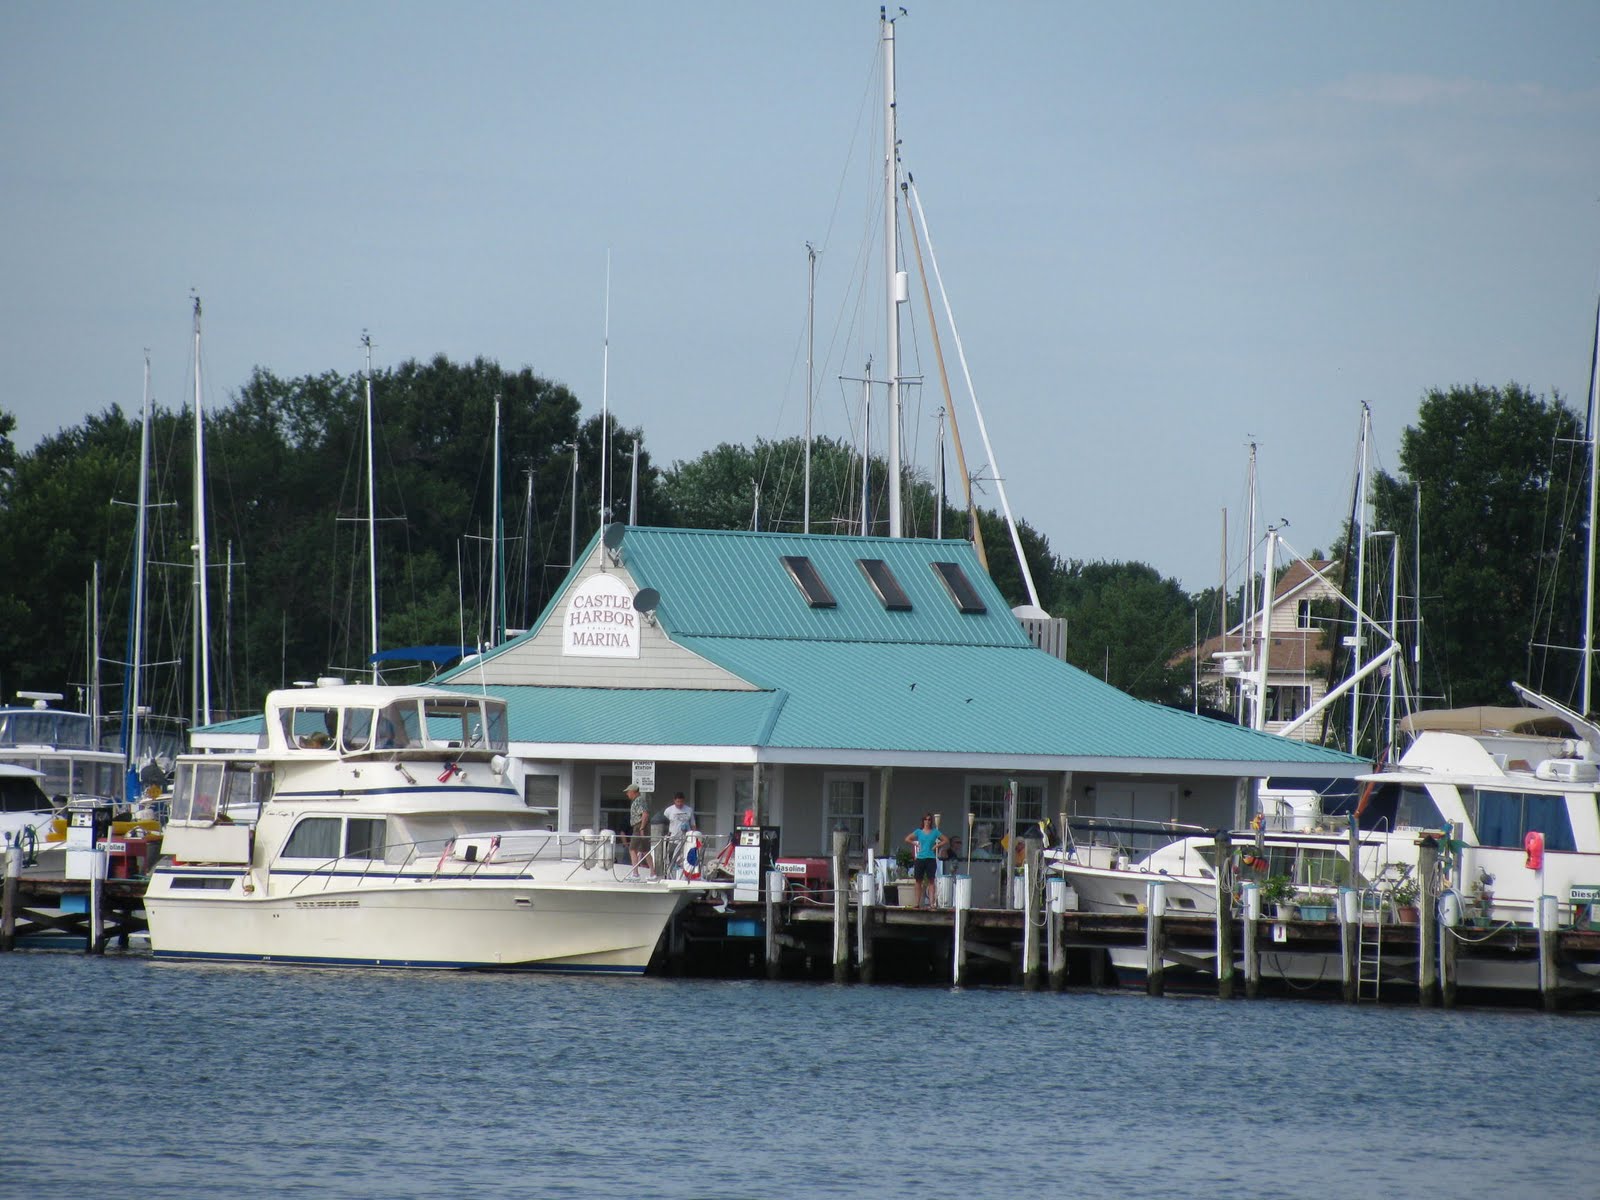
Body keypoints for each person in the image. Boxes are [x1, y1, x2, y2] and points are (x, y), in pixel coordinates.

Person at [904, 813, 948, 908]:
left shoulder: (935, 832)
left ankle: (932, 903)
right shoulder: (919, 831)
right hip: (920, 858)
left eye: (929, 820)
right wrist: (915, 844)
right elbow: (907, 839)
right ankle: (917, 902)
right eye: (925, 819)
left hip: (930, 858)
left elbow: (945, 840)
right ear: (923, 821)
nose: (927, 821)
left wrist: (937, 845)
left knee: (931, 881)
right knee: (918, 881)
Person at [627, 785, 651, 869]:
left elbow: (645, 814)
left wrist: (641, 828)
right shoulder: (639, 800)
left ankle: (635, 873)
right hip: (641, 826)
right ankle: (653, 872)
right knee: (645, 850)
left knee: (632, 849)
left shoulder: (639, 800)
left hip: (638, 826)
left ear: (633, 792)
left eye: (628, 792)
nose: (627, 794)